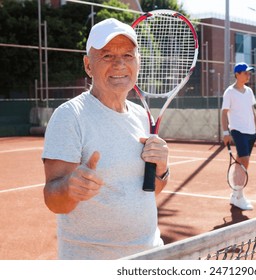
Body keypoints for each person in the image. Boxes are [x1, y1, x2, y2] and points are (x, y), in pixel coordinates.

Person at [42, 18, 170, 260]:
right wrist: (70, 188)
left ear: (138, 62)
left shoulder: (142, 116)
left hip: (151, 256)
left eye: (128, 55)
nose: (120, 64)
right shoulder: (70, 116)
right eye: (107, 56)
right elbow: (53, 199)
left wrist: (161, 171)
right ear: (88, 65)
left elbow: (146, 194)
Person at [221, 62, 256, 211]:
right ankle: (239, 196)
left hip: (251, 132)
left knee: (241, 162)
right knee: (244, 161)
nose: (248, 75)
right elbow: (224, 113)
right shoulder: (229, 92)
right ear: (237, 74)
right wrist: (226, 133)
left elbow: (252, 111)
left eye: (249, 73)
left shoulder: (249, 91)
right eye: (246, 72)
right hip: (238, 131)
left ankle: (235, 194)